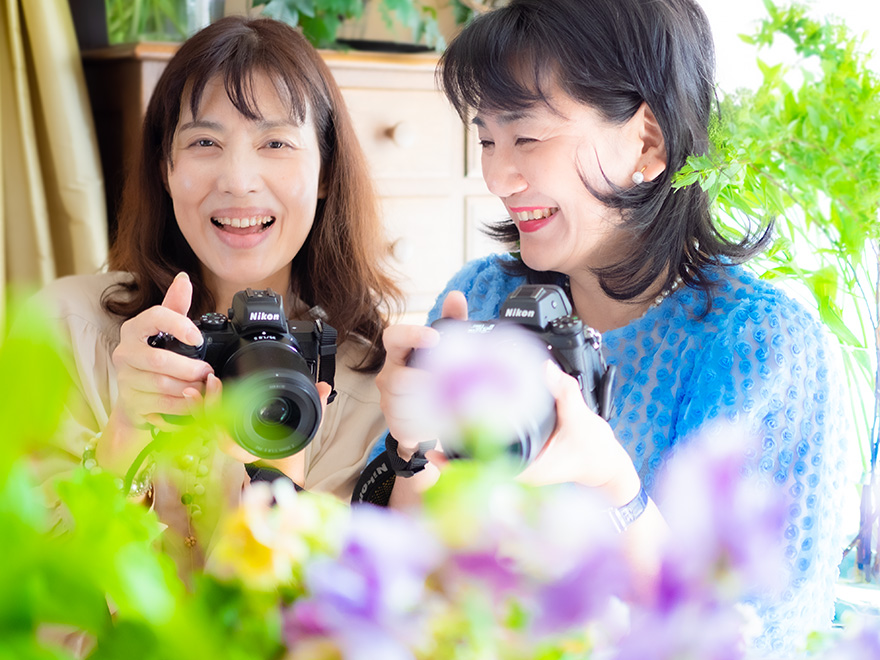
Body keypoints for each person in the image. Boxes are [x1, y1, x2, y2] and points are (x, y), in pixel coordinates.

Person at [366, 0, 848, 655]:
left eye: (527, 136)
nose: (499, 176)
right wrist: (410, 446)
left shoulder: (762, 348)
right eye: (486, 138)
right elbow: (385, 573)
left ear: (646, 141)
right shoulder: (478, 297)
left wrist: (614, 491)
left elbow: (768, 637)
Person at [35, 15, 401, 573]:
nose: (238, 179)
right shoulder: (66, 329)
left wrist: (275, 486)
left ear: (325, 170)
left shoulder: (373, 386)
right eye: (204, 141)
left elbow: (344, 627)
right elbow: (31, 592)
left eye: (275, 141)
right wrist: (123, 440)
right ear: (166, 166)